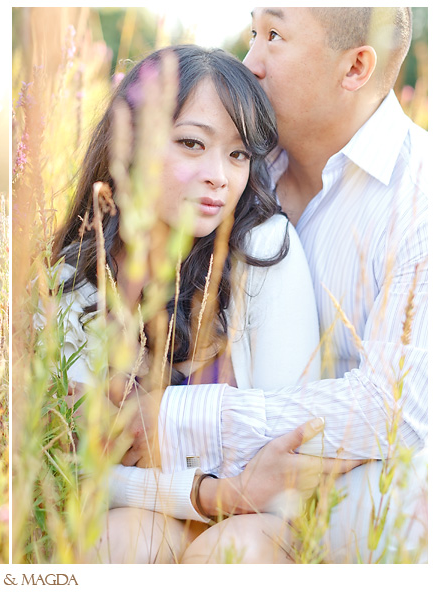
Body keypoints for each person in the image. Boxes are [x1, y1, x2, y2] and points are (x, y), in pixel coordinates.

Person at [118, 7, 427, 563]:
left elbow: (400, 409)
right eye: (252, 32)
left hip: (365, 522)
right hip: (211, 494)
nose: (249, 61)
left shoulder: (419, 198)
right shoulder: (232, 174)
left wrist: (169, 415)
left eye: (274, 37)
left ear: (355, 67)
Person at [41, 44, 346, 563]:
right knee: (116, 542)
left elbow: (287, 440)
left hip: (259, 525)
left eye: (238, 154)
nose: (218, 176)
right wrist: (208, 490)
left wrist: (151, 422)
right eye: (190, 144)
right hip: (158, 513)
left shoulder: (264, 249)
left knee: (229, 553)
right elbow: (78, 468)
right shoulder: (77, 278)